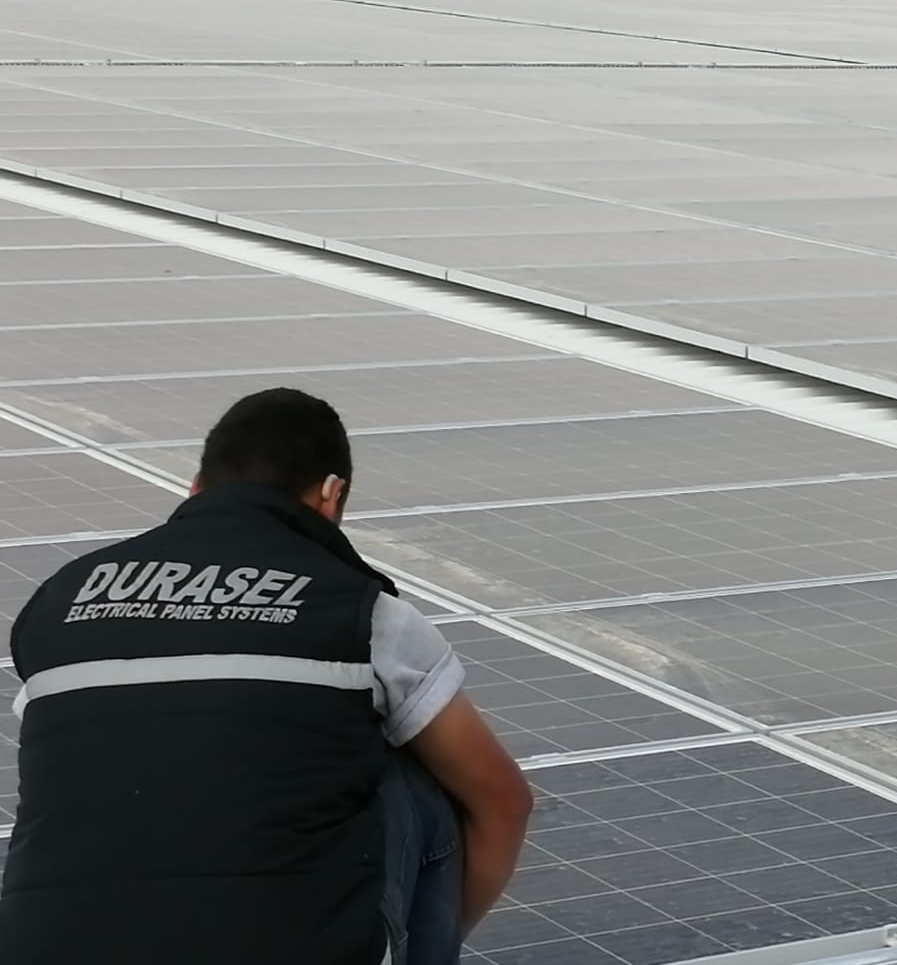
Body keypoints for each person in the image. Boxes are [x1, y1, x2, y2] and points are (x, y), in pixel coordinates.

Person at [0, 388, 534, 965]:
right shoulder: (362, 613)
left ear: (195, 488)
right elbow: (504, 801)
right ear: (331, 494)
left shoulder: (57, 602)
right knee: (416, 771)